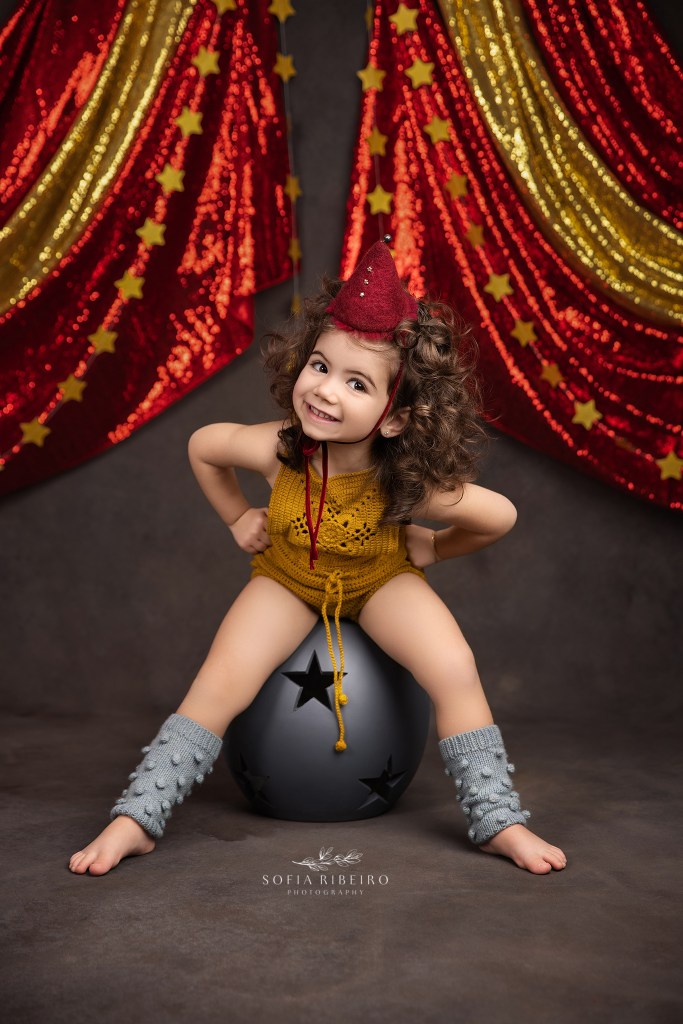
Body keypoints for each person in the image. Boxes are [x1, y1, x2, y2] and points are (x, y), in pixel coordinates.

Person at [69, 239, 567, 877]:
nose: (325, 391)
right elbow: (203, 446)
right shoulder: (279, 449)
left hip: (379, 579)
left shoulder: (401, 477)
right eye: (319, 366)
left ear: (394, 418)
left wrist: (435, 545)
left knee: (454, 665)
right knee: (221, 678)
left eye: (357, 383)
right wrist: (238, 516)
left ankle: (498, 818)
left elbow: (499, 515)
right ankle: (137, 816)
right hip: (288, 578)